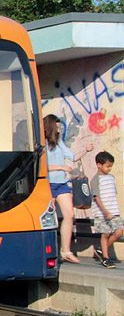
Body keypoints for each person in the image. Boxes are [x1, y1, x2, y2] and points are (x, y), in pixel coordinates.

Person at [43, 114, 94, 264]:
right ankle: (48, 248)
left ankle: (65, 251)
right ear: (50, 126)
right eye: (57, 127)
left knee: (69, 215)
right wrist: (60, 167)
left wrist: (85, 150)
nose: (59, 129)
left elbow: (72, 157)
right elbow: (42, 166)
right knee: (49, 219)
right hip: (48, 184)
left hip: (61, 184)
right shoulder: (42, 143)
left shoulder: (59, 142)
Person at [90, 151, 121, 269]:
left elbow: (113, 194)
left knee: (119, 232)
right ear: (99, 165)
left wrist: (113, 211)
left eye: (111, 166)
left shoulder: (111, 178)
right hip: (102, 212)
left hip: (114, 210)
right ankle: (106, 259)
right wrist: (105, 212)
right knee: (106, 233)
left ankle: (101, 250)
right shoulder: (95, 180)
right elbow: (97, 197)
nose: (109, 169)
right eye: (107, 166)